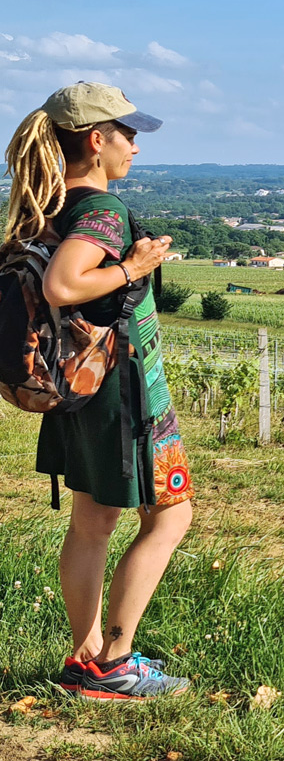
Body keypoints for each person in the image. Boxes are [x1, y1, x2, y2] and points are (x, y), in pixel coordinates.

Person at [5, 82, 192, 700]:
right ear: (96, 139)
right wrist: (135, 267)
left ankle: (85, 658)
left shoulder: (49, 205)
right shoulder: (101, 212)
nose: (135, 146)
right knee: (171, 514)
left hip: (76, 386)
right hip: (120, 390)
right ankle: (114, 661)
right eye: (128, 133)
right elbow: (62, 285)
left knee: (93, 520)